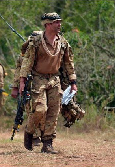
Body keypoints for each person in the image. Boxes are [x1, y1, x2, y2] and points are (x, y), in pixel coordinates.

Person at [19, 12, 78, 154]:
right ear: (47, 25)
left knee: (53, 112)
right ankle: (29, 131)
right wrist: (22, 81)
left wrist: (73, 81)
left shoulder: (62, 43)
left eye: (59, 22)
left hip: (55, 80)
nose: (59, 25)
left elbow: (69, 63)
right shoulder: (36, 42)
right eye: (56, 22)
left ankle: (47, 144)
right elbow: (27, 61)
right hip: (38, 79)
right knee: (40, 109)